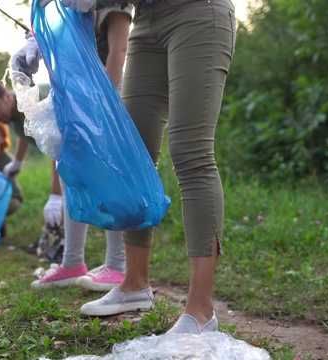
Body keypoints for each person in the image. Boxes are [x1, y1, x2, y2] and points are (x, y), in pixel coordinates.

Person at [15, 0, 236, 335]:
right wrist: (41, 38)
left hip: (198, 12)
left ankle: (200, 311)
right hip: (146, 21)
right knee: (133, 153)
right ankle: (135, 283)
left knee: (190, 152)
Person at [12, 3, 133, 293]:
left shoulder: (110, 6)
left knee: (107, 178)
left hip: (103, 99)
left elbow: (119, 50)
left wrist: (103, 104)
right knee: (71, 175)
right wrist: (35, 41)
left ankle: (117, 265)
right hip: (72, 98)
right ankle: (72, 262)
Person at [0, 81, 64, 249]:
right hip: (63, 147)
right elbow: (22, 129)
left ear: (8, 97)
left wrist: (55, 195)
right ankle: (54, 241)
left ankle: (61, 245)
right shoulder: (9, 112)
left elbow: (56, 145)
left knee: (68, 194)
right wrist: (18, 161)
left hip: (81, 137)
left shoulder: (32, 103)